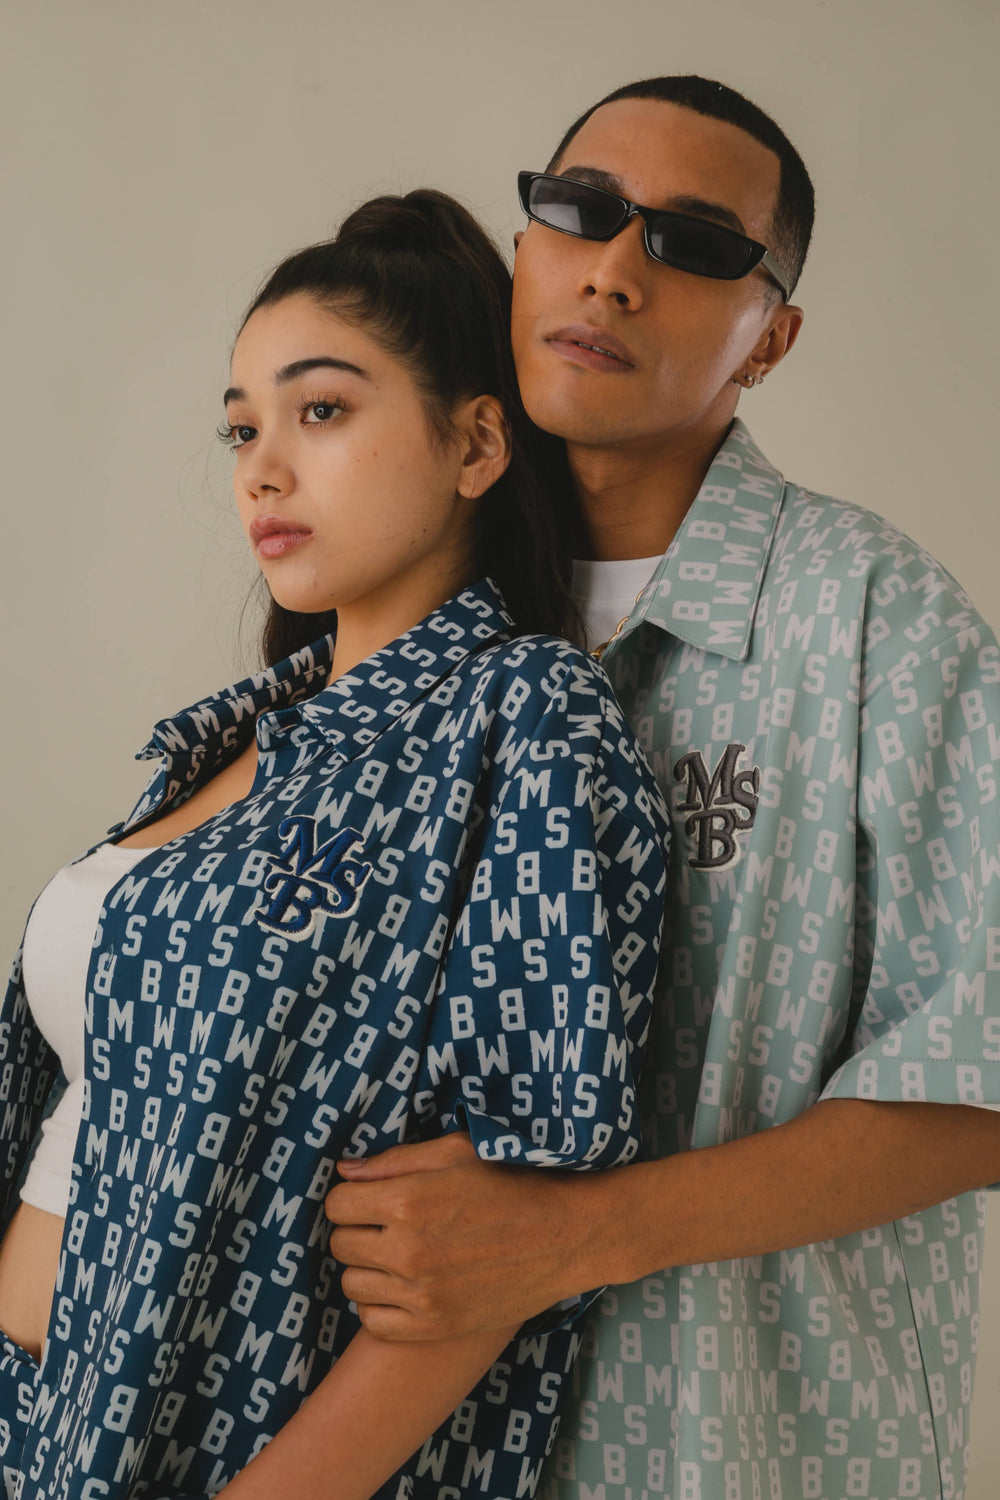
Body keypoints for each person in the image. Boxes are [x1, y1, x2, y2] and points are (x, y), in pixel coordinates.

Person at [324, 78, 1000, 1500]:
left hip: (749, 1452)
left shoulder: (875, 621)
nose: (616, 272)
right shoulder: (403, 598)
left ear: (772, 338)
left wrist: (574, 1235)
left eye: (694, 245)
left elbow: (983, 1072)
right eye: (581, 212)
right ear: (525, 245)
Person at [0, 190, 671, 1499]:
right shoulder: (229, 744)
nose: (259, 469)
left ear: (476, 443)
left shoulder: (521, 721)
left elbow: (505, 1234)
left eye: (319, 411)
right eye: (241, 427)